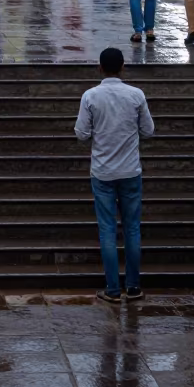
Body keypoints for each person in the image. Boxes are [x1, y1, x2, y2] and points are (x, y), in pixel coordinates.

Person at [74, 46, 155, 303]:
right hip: (131, 170)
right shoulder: (136, 94)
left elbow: (81, 133)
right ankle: (133, 287)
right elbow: (149, 130)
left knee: (107, 230)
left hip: (102, 172)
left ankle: (111, 289)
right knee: (132, 228)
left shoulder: (90, 96)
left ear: (100, 68)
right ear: (123, 68)